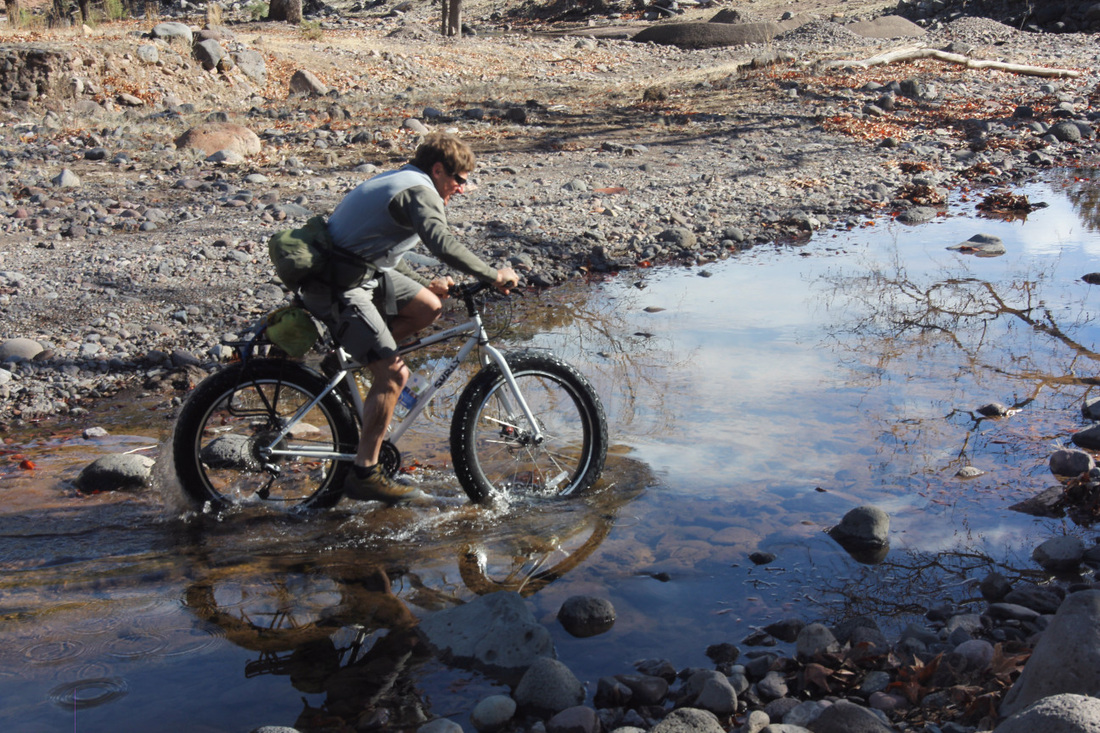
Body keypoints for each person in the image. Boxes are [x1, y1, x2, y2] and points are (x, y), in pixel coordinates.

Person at [301, 133, 519, 505]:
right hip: (339, 283)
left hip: (357, 270)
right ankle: (365, 473)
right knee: (395, 373)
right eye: (459, 180)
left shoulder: (400, 179)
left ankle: (358, 360)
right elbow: (442, 243)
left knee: (427, 305)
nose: (462, 189)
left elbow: (381, 248)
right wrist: (492, 275)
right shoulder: (420, 191)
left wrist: (425, 284)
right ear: (438, 170)